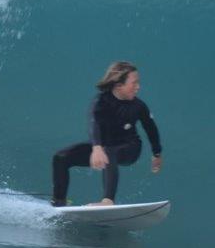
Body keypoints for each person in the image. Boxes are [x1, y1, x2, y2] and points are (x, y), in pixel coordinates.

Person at [52, 61, 163, 207]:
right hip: (103, 147)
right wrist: (96, 147)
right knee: (61, 157)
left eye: (138, 82)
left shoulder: (139, 106)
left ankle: (107, 201)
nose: (138, 87)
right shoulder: (101, 101)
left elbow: (151, 129)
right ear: (119, 85)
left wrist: (157, 154)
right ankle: (59, 203)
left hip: (130, 148)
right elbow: (94, 123)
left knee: (108, 151)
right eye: (134, 83)